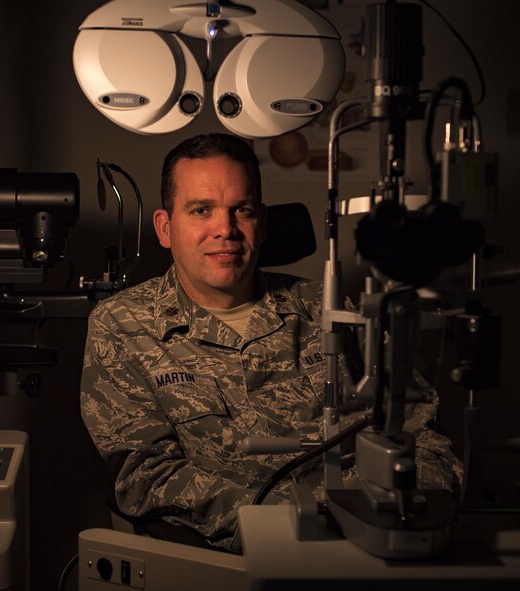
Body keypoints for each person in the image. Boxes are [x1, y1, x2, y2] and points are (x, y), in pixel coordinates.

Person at [80, 133, 461, 553]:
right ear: (166, 228)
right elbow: (144, 478)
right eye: (201, 210)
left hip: (368, 547)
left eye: (240, 210)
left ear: (261, 222)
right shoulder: (123, 325)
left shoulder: (331, 309)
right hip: (220, 563)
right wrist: (301, 521)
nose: (224, 229)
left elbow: (422, 436)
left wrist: (402, 516)